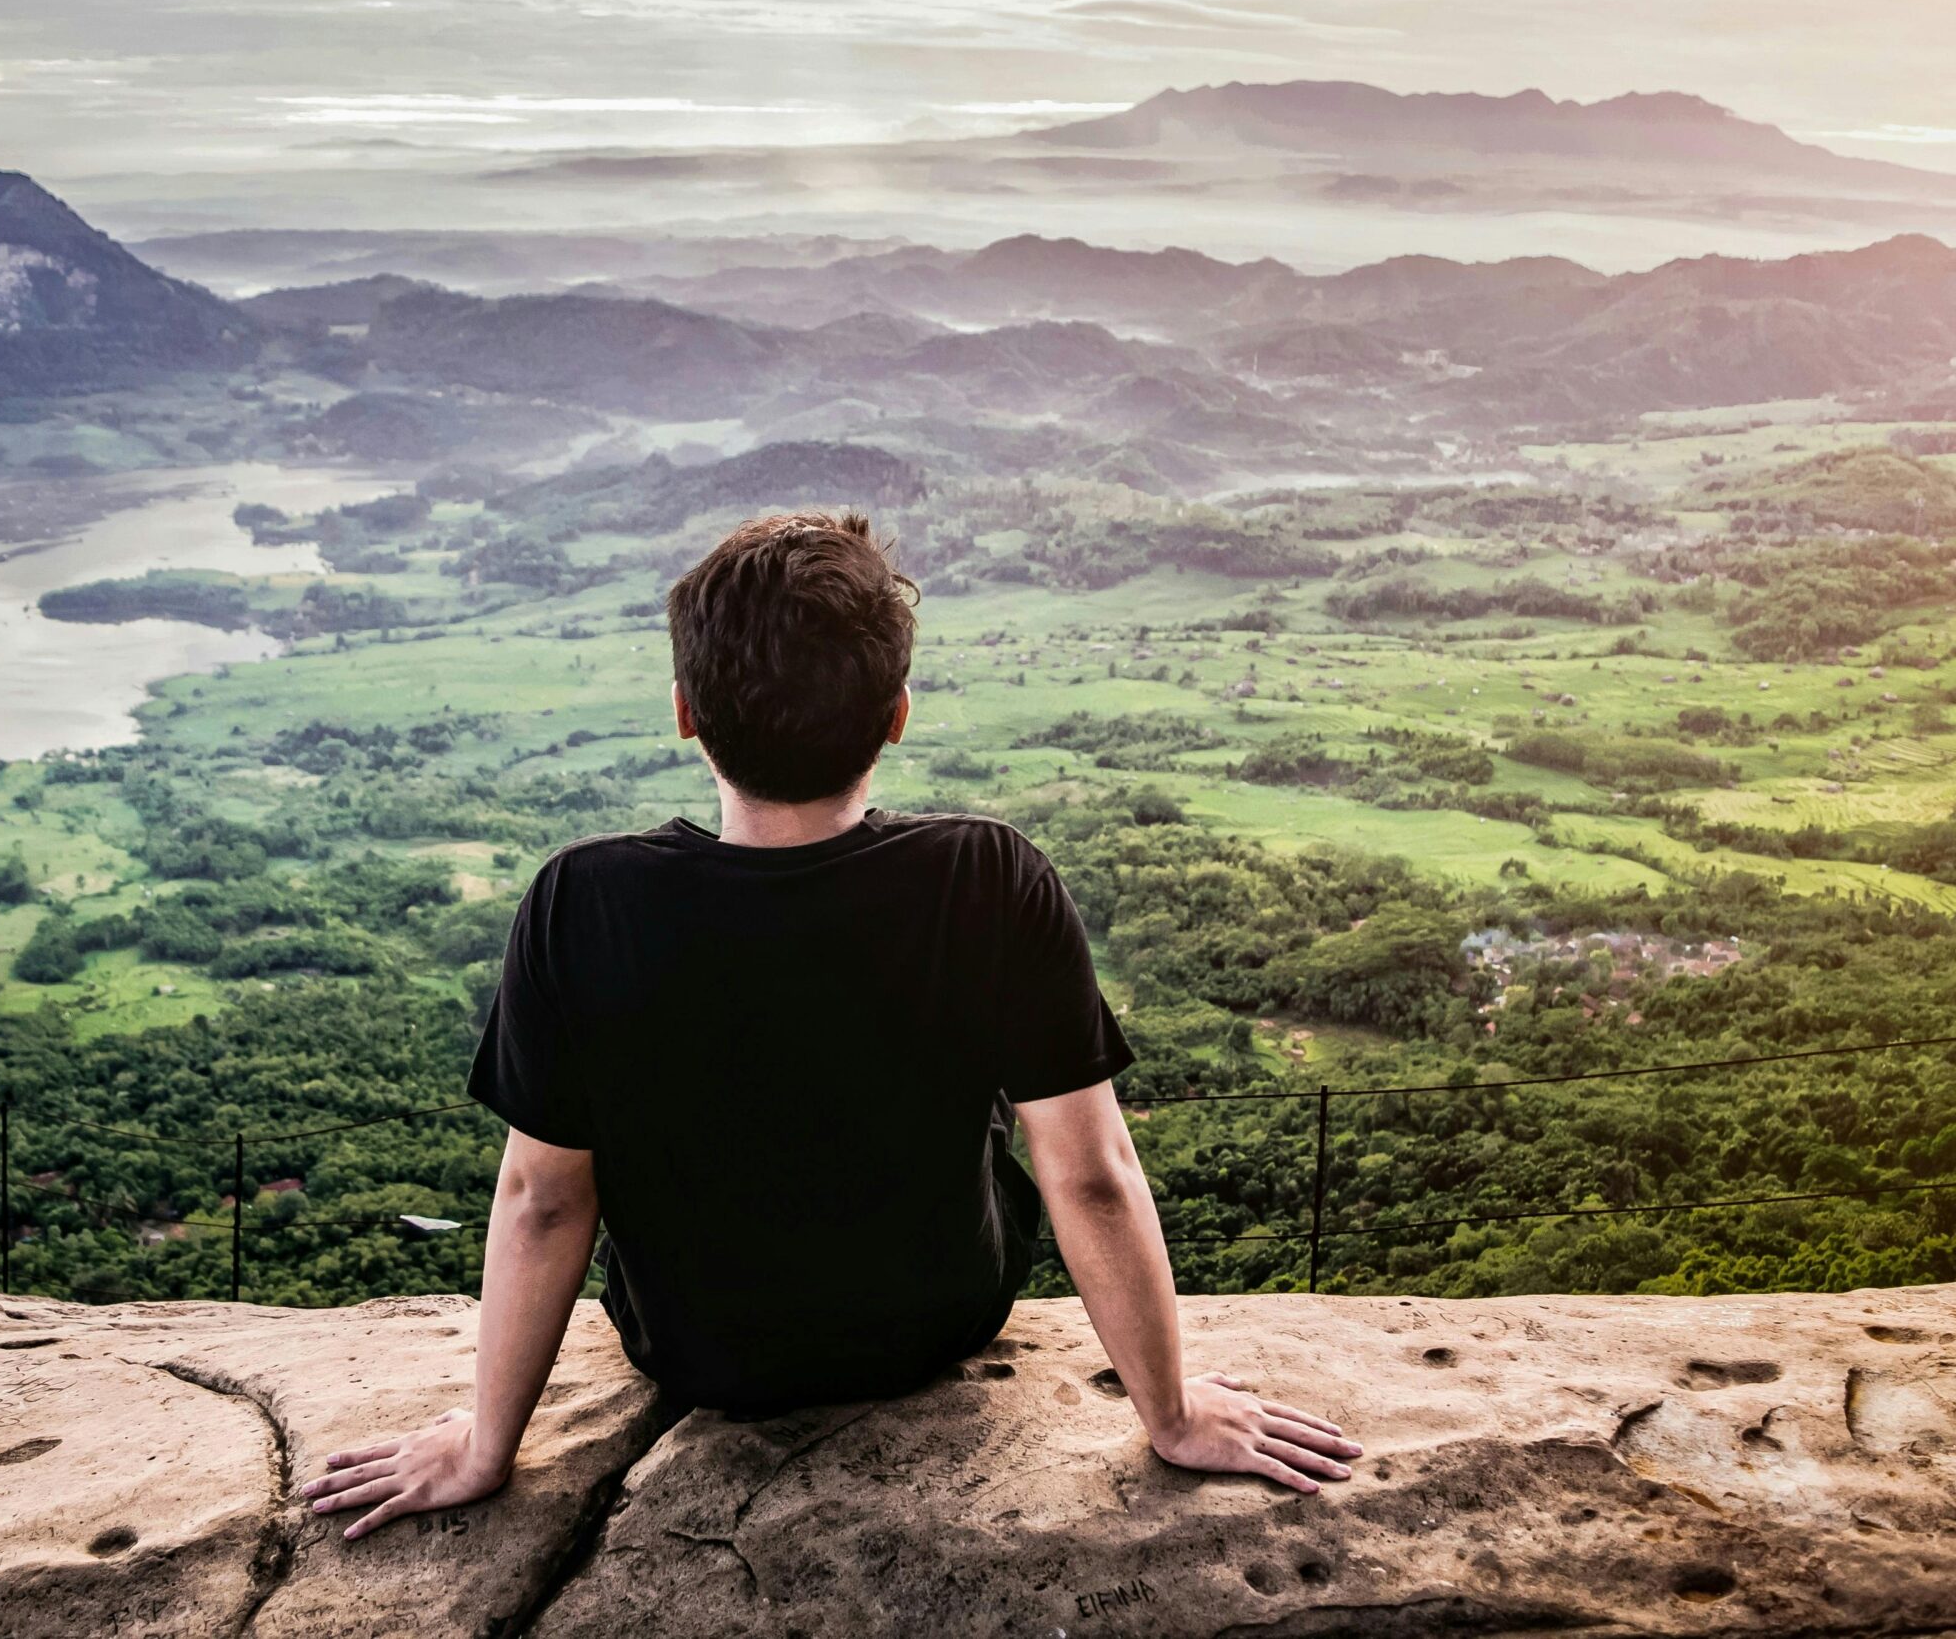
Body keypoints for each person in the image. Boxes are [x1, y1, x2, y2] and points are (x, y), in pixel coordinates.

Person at [299, 511, 1358, 1537]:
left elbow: (541, 1199)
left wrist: (490, 1442)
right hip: (937, 1320)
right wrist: (1168, 1413)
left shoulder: (582, 899)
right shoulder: (988, 874)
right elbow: (1086, 1171)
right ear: (895, 713)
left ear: (684, 711)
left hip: (697, 1351)